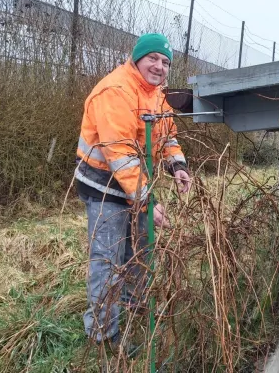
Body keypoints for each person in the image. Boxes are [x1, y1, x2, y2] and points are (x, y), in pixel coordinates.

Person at [74, 33, 191, 349]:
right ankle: (103, 336)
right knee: (109, 259)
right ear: (137, 58)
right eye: (153, 58)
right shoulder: (116, 91)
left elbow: (167, 137)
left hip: (136, 186)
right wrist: (147, 202)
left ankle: (132, 306)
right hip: (104, 186)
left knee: (140, 250)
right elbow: (121, 155)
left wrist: (178, 166)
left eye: (166, 62)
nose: (160, 66)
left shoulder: (158, 94)